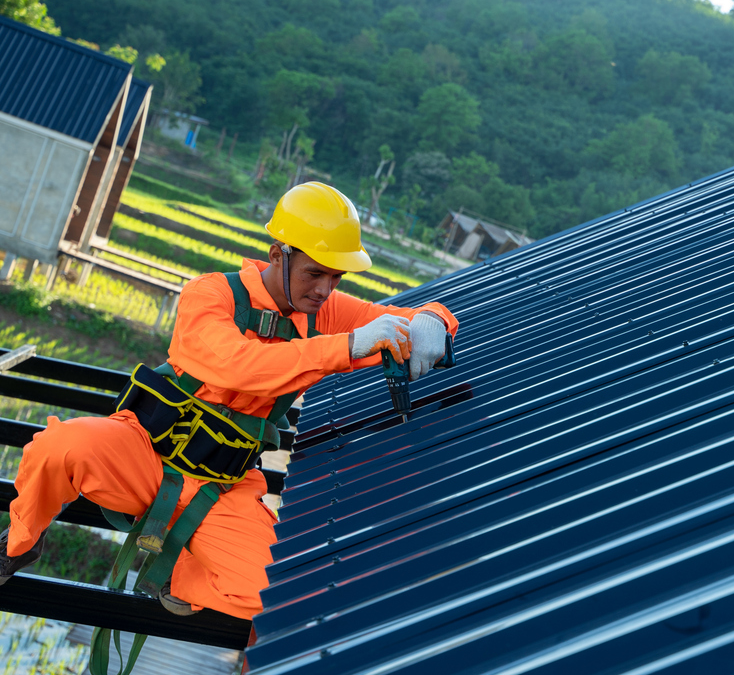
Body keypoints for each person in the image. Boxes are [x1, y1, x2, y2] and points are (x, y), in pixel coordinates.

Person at [0, 182, 457, 622]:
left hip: (223, 486)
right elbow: (237, 364)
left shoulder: (325, 312)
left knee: (276, 590)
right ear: (278, 256)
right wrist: (346, 347)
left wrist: (433, 320)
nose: (324, 289)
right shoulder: (212, 293)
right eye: (314, 273)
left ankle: (178, 577)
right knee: (58, 447)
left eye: (335, 277)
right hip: (142, 451)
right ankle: (18, 544)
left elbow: (410, 319)